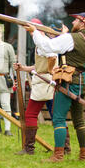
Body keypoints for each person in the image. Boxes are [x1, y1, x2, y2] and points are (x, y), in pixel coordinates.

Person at [22, 12, 85, 162]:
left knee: (58, 119)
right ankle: (83, 155)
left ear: (82, 23)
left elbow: (47, 46)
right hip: (83, 82)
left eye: (76, 20)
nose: (73, 22)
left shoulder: (72, 38)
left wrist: (34, 31)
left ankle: (58, 155)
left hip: (69, 81)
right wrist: (63, 36)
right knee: (79, 121)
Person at [14, 19, 62, 155]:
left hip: (44, 83)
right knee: (57, 117)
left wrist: (51, 71)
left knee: (30, 114)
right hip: (49, 82)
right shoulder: (43, 41)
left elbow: (51, 59)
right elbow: (41, 65)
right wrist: (24, 68)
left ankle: (29, 149)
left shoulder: (41, 42)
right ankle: (65, 148)